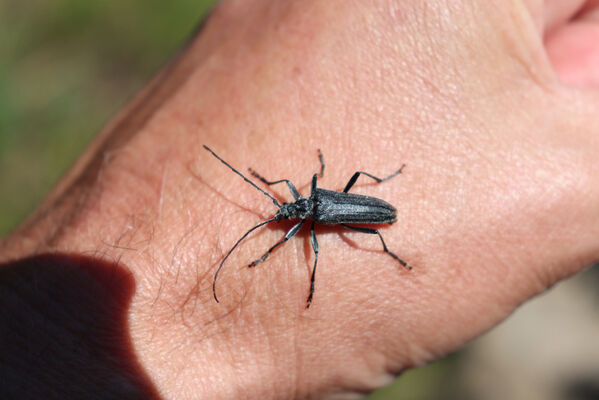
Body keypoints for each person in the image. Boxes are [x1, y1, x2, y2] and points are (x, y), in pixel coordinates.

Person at [1, 0, 598, 398]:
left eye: (289, 214)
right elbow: (286, 195)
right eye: (288, 216)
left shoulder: (318, 213)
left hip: (372, 212)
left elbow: (311, 198)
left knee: (369, 201)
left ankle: (383, 217)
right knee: (328, 202)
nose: (285, 215)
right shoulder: (306, 213)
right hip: (350, 211)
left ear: (303, 212)